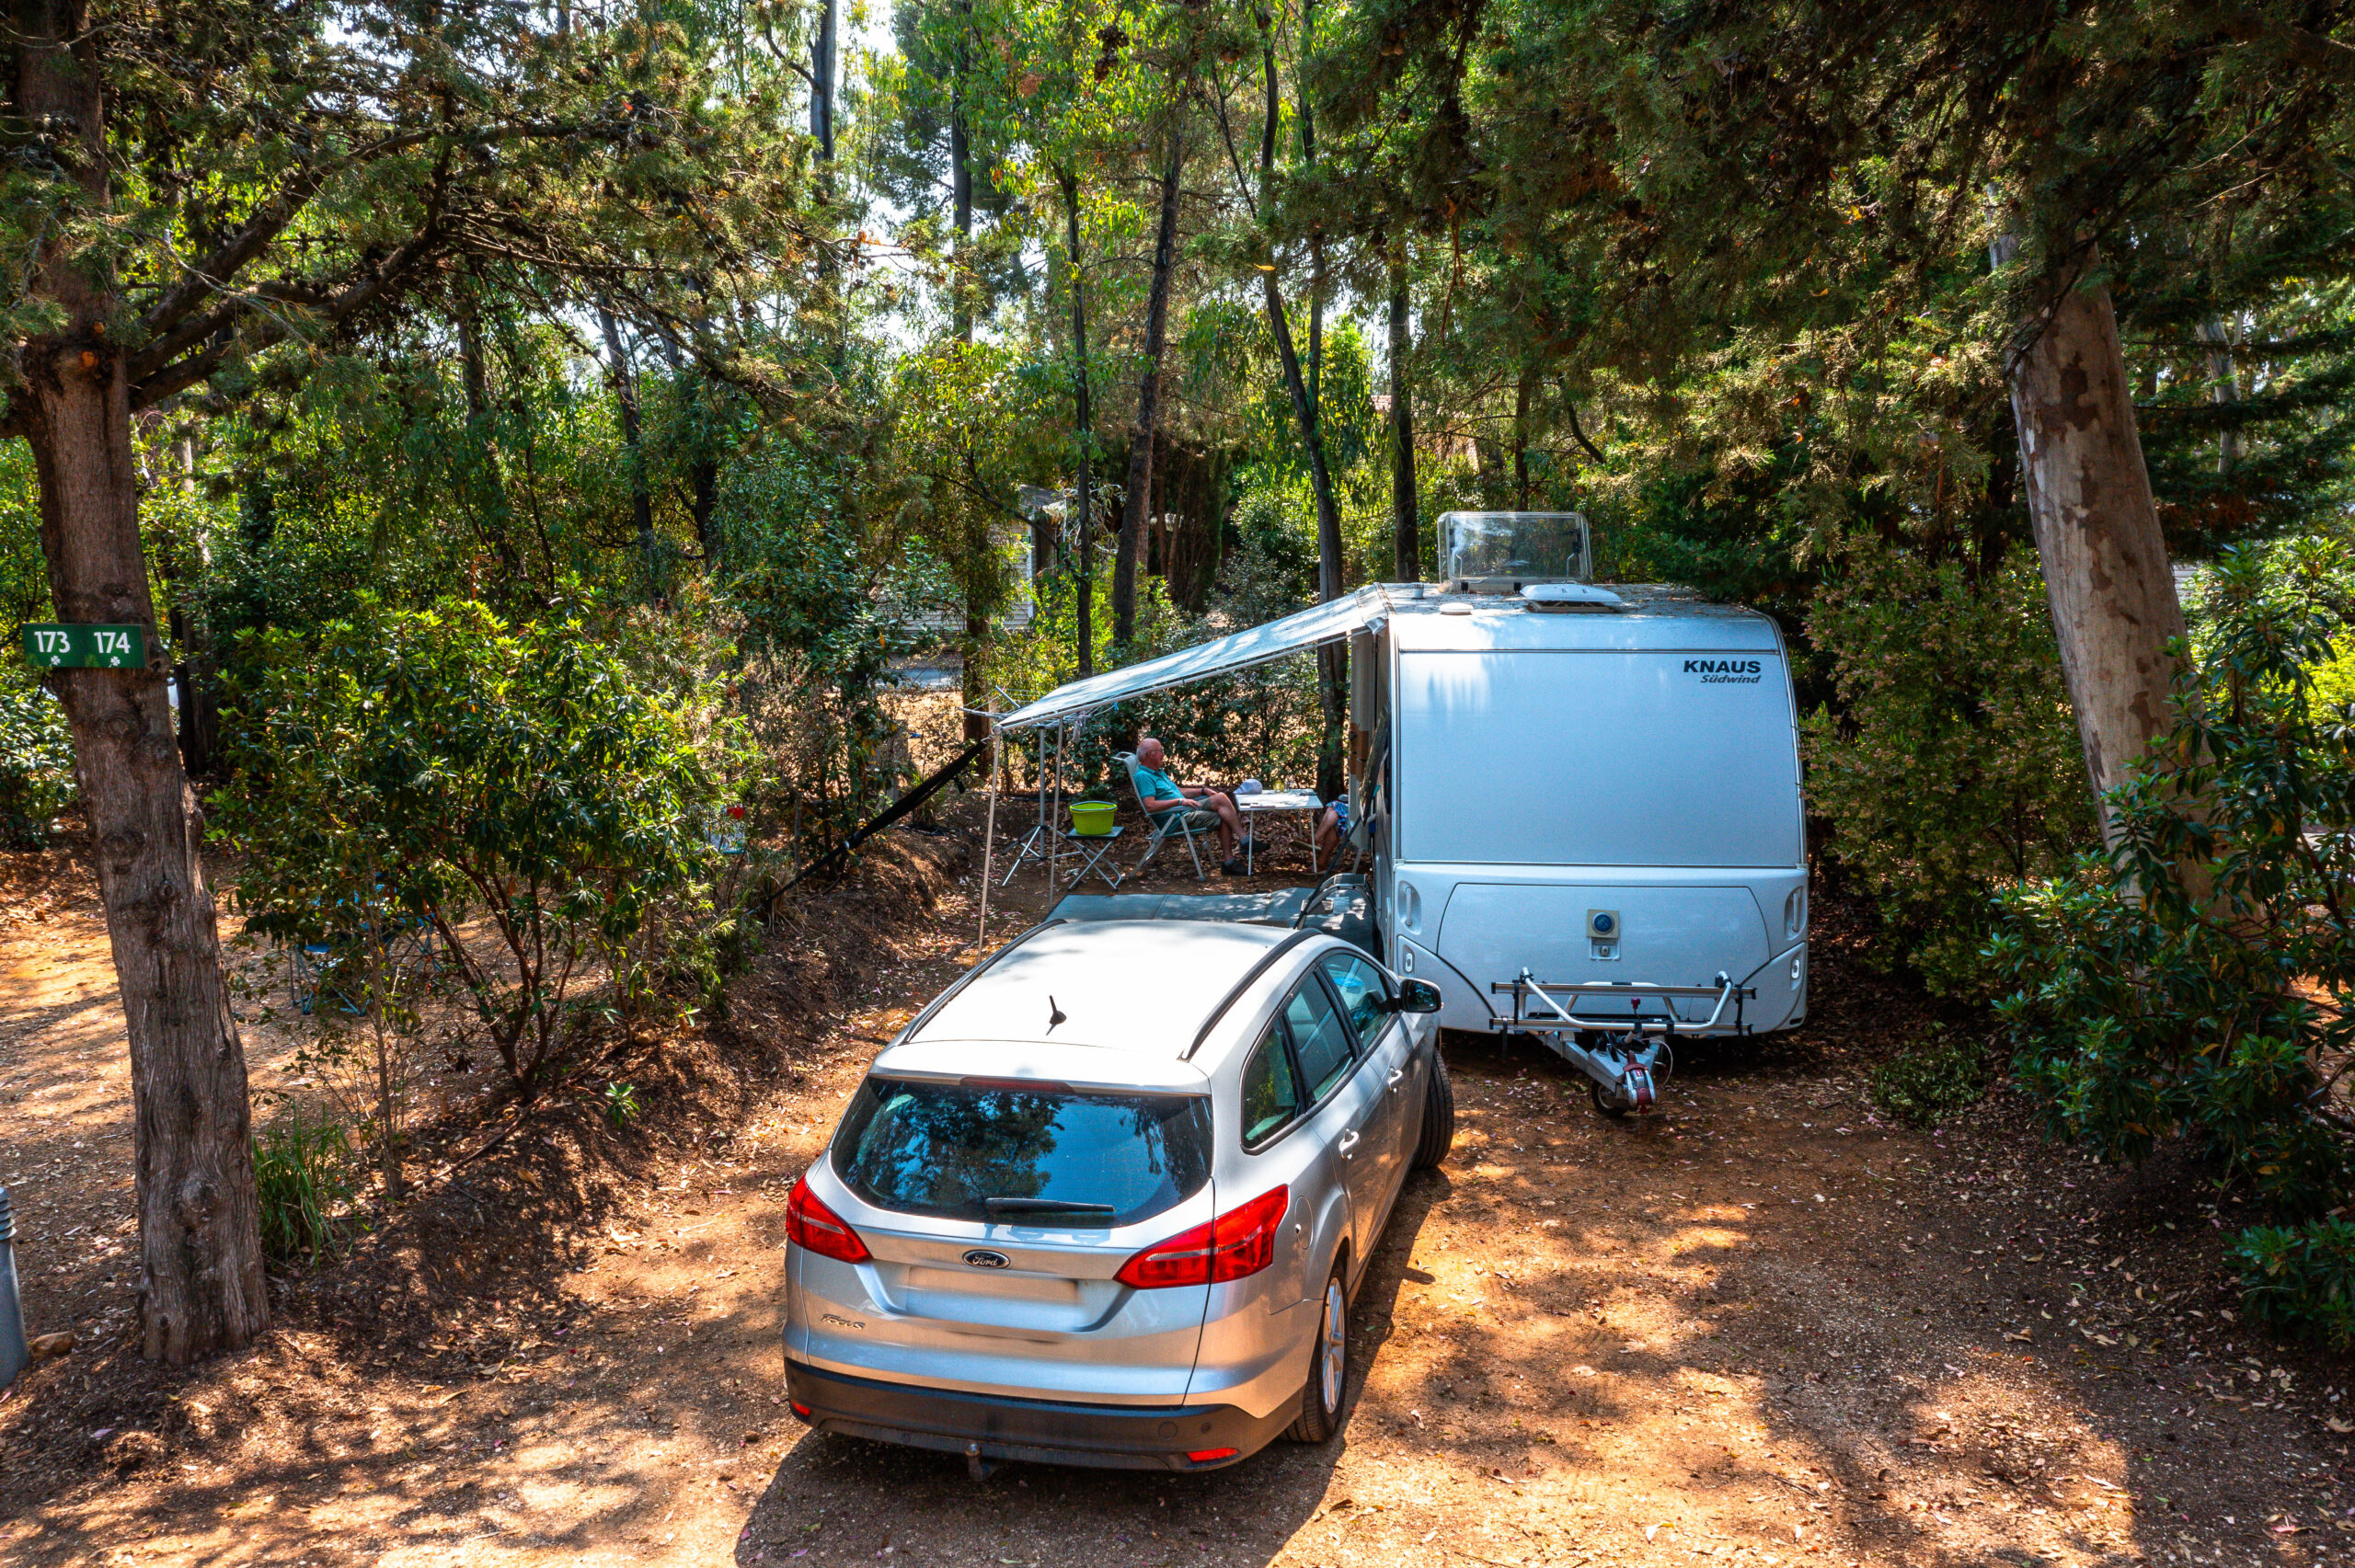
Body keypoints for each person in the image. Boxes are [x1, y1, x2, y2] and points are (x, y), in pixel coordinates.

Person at [1132, 735, 1246, 875]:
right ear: (1150, 755)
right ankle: (1230, 861)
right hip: (1176, 819)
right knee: (1224, 815)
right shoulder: (1144, 776)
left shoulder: (1157, 772)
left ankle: (1244, 840)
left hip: (1183, 810)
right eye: (1160, 751)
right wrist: (1179, 802)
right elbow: (1150, 806)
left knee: (1221, 798)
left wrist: (1202, 790)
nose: (1163, 754)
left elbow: (1178, 791)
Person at [1314, 790, 1351, 862]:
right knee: (1334, 811)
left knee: (1335, 812)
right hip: (1356, 808)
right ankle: (1321, 861)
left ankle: (1315, 839)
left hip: (1364, 814)